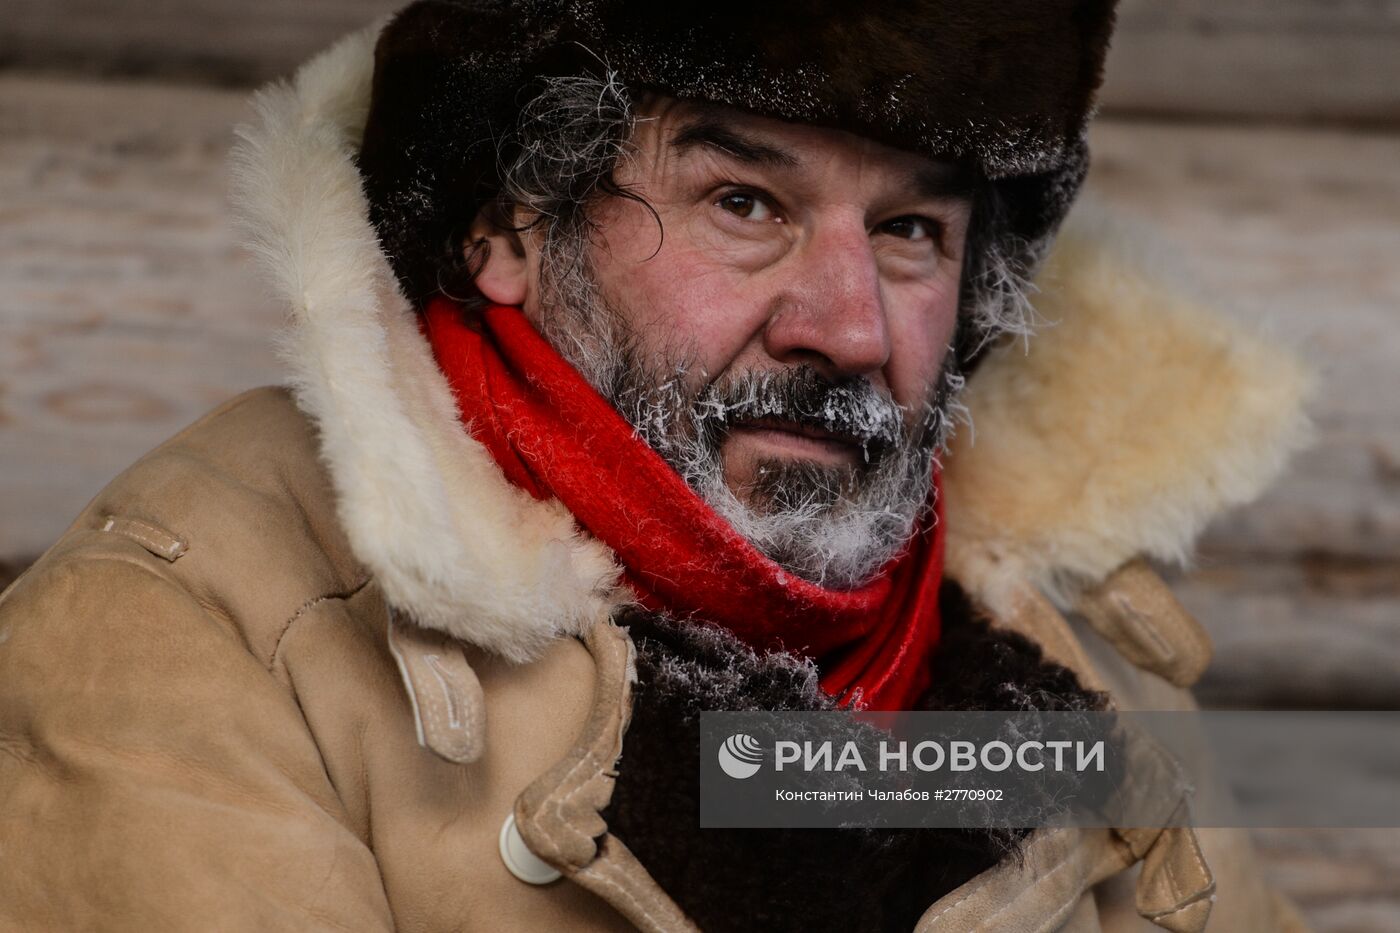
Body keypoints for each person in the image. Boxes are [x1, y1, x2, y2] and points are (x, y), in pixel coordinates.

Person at [0, 2, 1315, 930]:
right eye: (747, 203)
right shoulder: (193, 634)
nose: (850, 327)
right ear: (509, 224)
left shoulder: (1075, 663)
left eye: (912, 228)